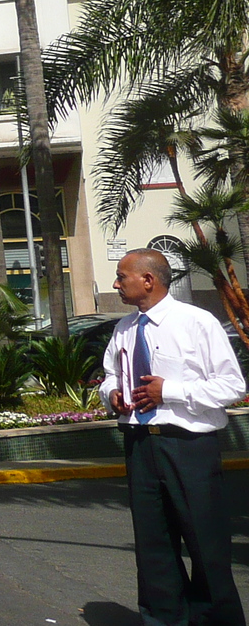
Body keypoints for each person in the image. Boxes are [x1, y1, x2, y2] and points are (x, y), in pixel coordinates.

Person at [101, 248, 245, 626]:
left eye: (122, 276)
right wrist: (112, 394)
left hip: (189, 445)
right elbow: (111, 376)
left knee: (205, 542)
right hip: (140, 445)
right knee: (153, 544)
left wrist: (172, 392)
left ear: (148, 280)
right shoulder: (124, 329)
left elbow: (232, 385)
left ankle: (216, 620)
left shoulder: (197, 323)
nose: (116, 283)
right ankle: (164, 618)